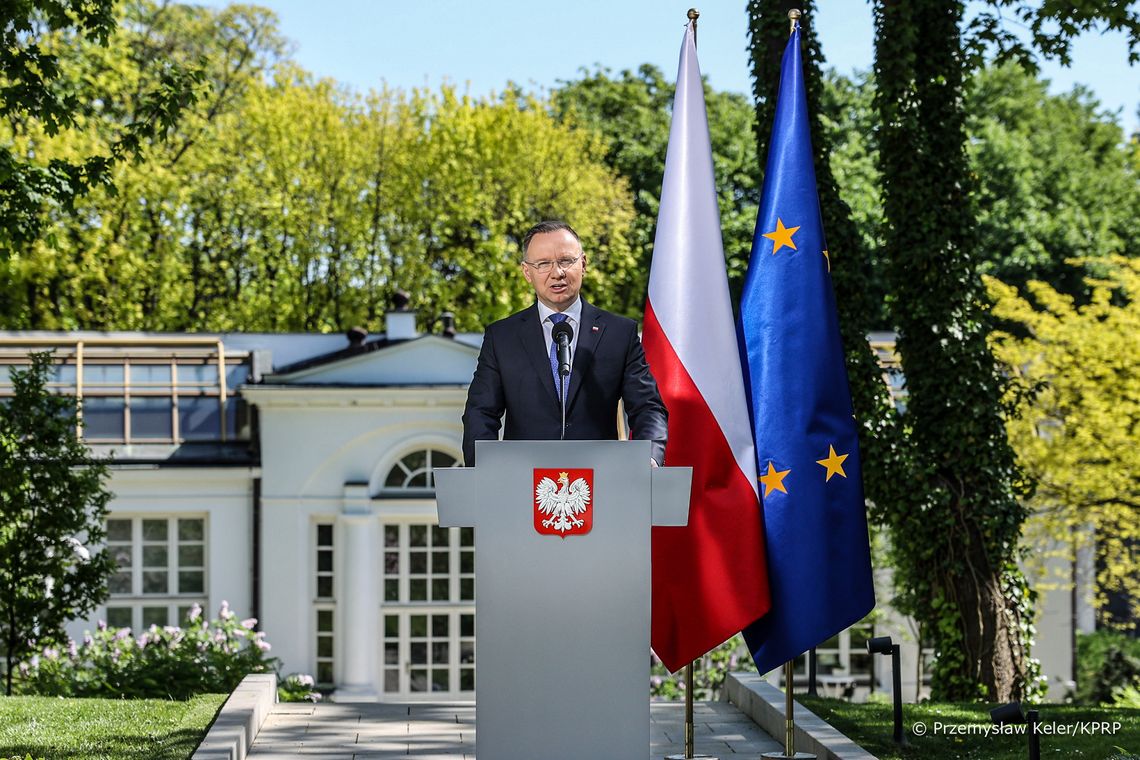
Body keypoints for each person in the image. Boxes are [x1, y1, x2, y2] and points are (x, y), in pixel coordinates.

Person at [461, 220, 668, 466]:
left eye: (566, 261)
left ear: (583, 264)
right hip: (524, 488)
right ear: (527, 272)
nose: (556, 272)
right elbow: (480, 413)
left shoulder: (619, 333)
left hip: (602, 485)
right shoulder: (502, 337)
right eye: (543, 264)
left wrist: (650, 457)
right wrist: (483, 468)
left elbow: (647, 407)